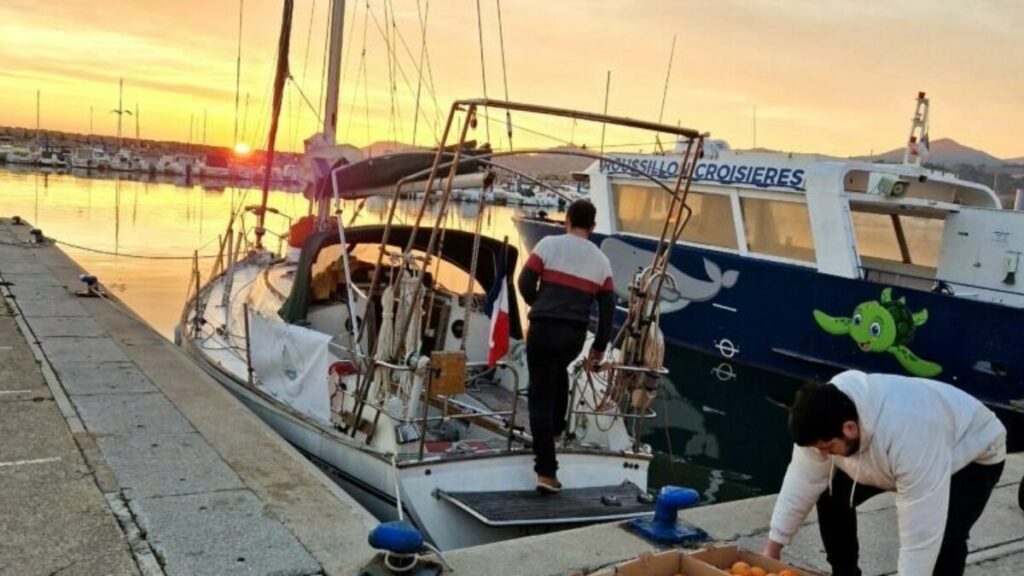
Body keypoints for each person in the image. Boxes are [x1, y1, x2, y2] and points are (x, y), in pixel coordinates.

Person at [763, 370, 1006, 576]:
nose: (824, 454)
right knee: (830, 491)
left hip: (971, 452)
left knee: (946, 537)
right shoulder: (822, 414)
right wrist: (773, 548)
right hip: (887, 451)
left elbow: (921, 532)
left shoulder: (911, 435)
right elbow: (803, 479)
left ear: (849, 428)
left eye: (827, 448)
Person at [517, 200, 614, 494]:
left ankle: (546, 472)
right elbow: (608, 310)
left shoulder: (548, 244)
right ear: (593, 227)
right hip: (573, 335)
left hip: (544, 329)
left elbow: (524, 282)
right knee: (559, 373)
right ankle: (557, 429)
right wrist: (598, 349)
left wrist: (540, 304)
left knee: (539, 396)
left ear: (567, 220)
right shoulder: (601, 261)